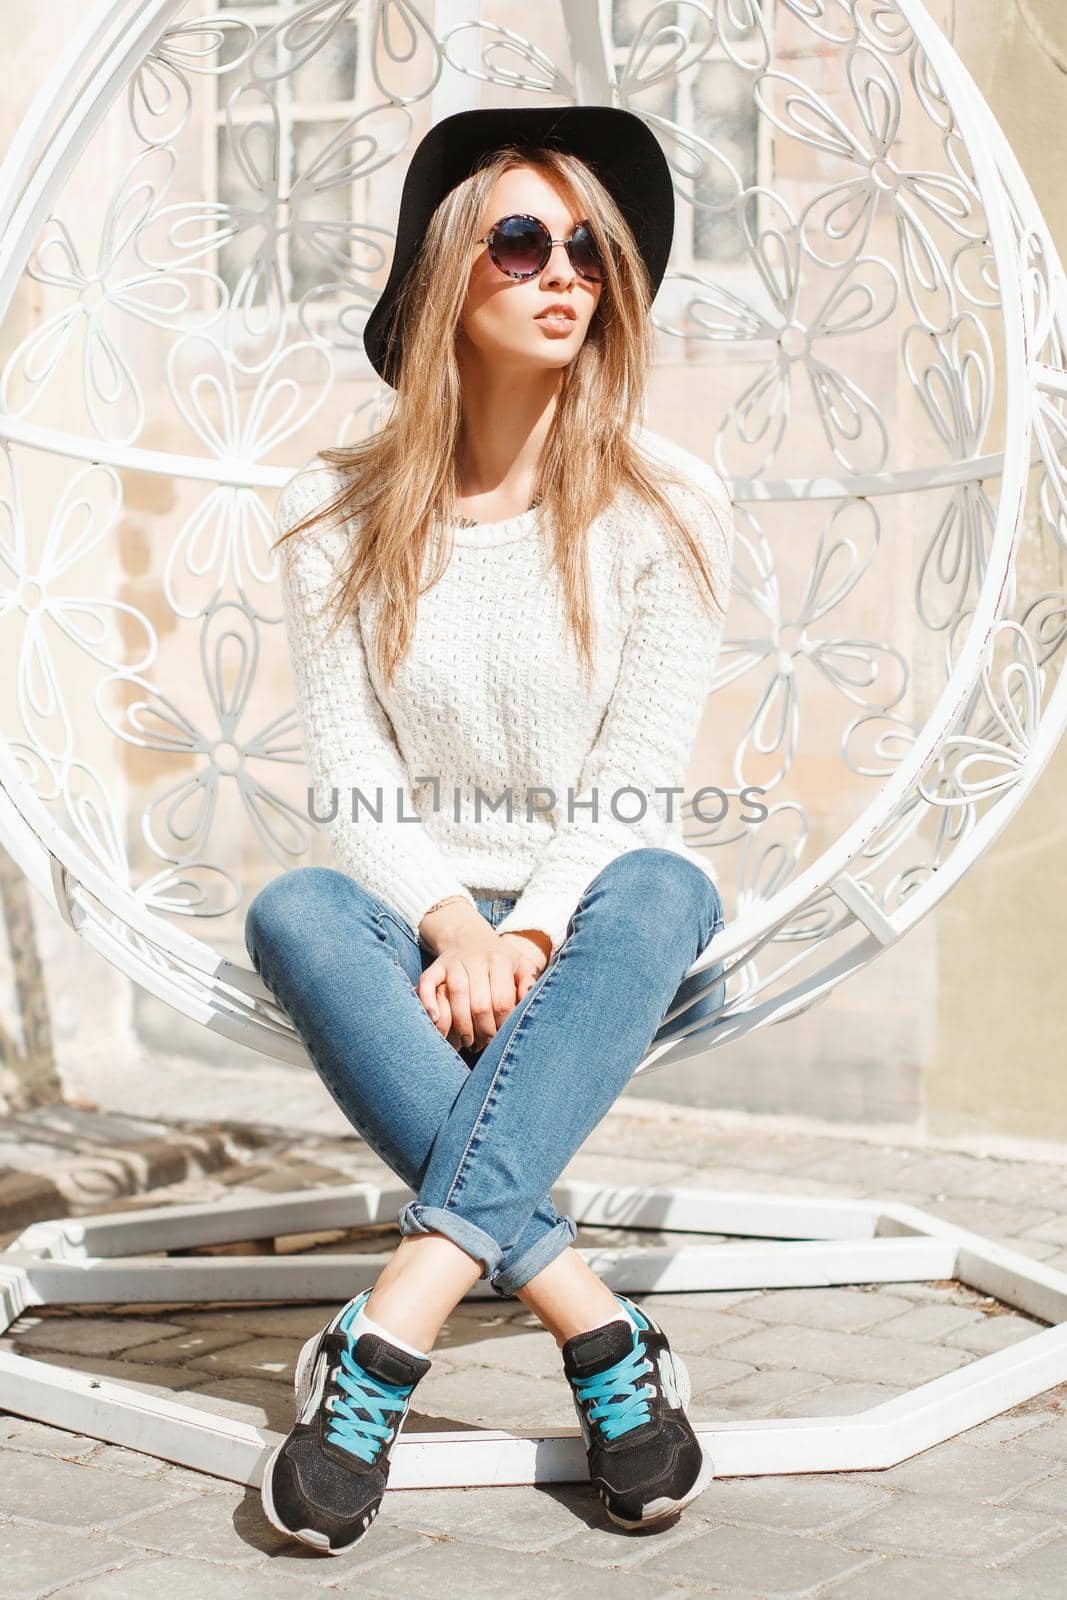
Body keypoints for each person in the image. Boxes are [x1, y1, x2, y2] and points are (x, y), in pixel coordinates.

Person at [245, 104, 736, 1557]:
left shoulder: (668, 507)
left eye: (587, 245)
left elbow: (639, 777)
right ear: (446, 274)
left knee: (662, 879)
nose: (562, 270)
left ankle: (392, 1331)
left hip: (588, 912)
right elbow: (352, 778)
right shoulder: (335, 515)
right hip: (424, 914)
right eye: (521, 241)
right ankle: (592, 1318)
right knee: (294, 911)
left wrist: (528, 930)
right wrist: (456, 924)